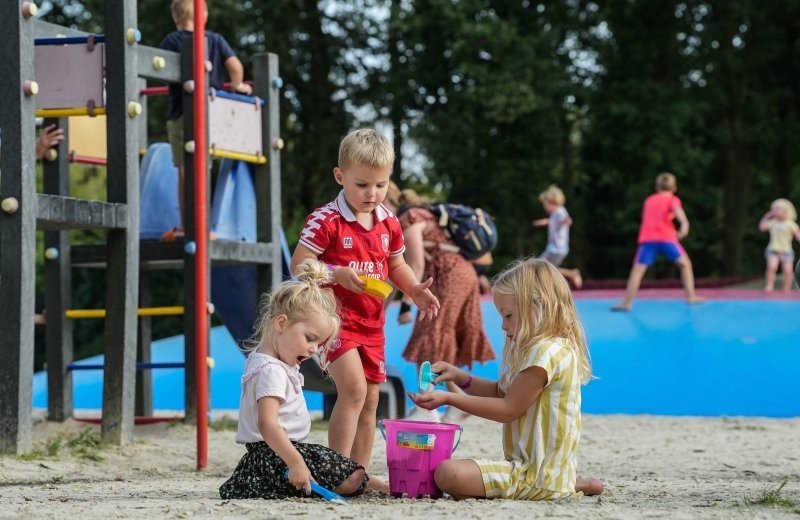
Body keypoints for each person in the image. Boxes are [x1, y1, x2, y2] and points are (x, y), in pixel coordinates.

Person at [290, 128, 440, 490]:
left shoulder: (389, 221)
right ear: (340, 177)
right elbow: (299, 264)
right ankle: (334, 471)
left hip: (372, 323)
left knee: (373, 397)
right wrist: (335, 274)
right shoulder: (327, 219)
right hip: (332, 322)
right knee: (354, 390)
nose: (372, 194)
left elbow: (396, 265)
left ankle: (357, 474)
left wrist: (414, 290)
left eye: (380, 185)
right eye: (362, 185)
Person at [408, 257, 603, 500]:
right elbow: (503, 393)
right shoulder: (552, 347)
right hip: (545, 472)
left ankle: (560, 485)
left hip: (531, 476)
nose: (502, 325)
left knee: (448, 473)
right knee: (452, 472)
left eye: (508, 316)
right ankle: (570, 483)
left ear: (537, 307)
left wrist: (449, 399)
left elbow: (508, 409)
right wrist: (461, 378)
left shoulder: (544, 353)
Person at [219, 259, 369, 500]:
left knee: (355, 474)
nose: (313, 350)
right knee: (354, 476)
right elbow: (267, 424)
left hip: (279, 454)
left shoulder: (269, 363)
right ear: (281, 323)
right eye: (309, 338)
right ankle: (299, 482)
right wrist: (297, 463)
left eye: (318, 344)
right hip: (277, 457)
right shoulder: (271, 370)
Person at [384, 183, 495, 422]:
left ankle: (427, 404)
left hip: (449, 277)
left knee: (429, 335)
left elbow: (415, 265)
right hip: (464, 276)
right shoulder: (425, 214)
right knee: (440, 336)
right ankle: (457, 402)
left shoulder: (409, 218)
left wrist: (404, 306)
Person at [159, 0, 252, 241]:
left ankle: (186, 225)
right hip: (212, 114)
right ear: (205, 16)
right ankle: (205, 225)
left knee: (184, 171)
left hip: (182, 114)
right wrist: (238, 85)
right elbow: (235, 66)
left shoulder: (172, 40)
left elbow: (159, 69)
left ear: (175, 17)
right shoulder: (215, 40)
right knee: (203, 169)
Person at [612, 172, 705, 311]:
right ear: (674, 188)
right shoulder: (672, 199)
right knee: (685, 264)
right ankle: (690, 296)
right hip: (667, 238)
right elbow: (678, 212)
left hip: (648, 239)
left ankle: (627, 303)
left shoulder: (649, 200)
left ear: (657, 187)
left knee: (637, 271)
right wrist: (684, 224)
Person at [532, 185, 582, 289]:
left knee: (540, 266)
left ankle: (571, 274)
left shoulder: (560, 212)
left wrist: (567, 221)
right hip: (558, 248)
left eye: (545, 204)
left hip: (556, 248)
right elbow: (554, 221)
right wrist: (544, 222)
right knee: (549, 268)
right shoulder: (556, 213)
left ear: (552, 202)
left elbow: (566, 219)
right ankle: (571, 274)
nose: (544, 207)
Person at [758, 198, 800, 292]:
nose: (775, 212)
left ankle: (786, 289)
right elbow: (762, 228)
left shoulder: (790, 224)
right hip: (773, 250)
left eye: (778, 209)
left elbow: (798, 235)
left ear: (785, 211)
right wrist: (767, 216)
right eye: (774, 210)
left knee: (788, 271)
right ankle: (769, 286)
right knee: (771, 268)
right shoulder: (773, 222)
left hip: (786, 251)